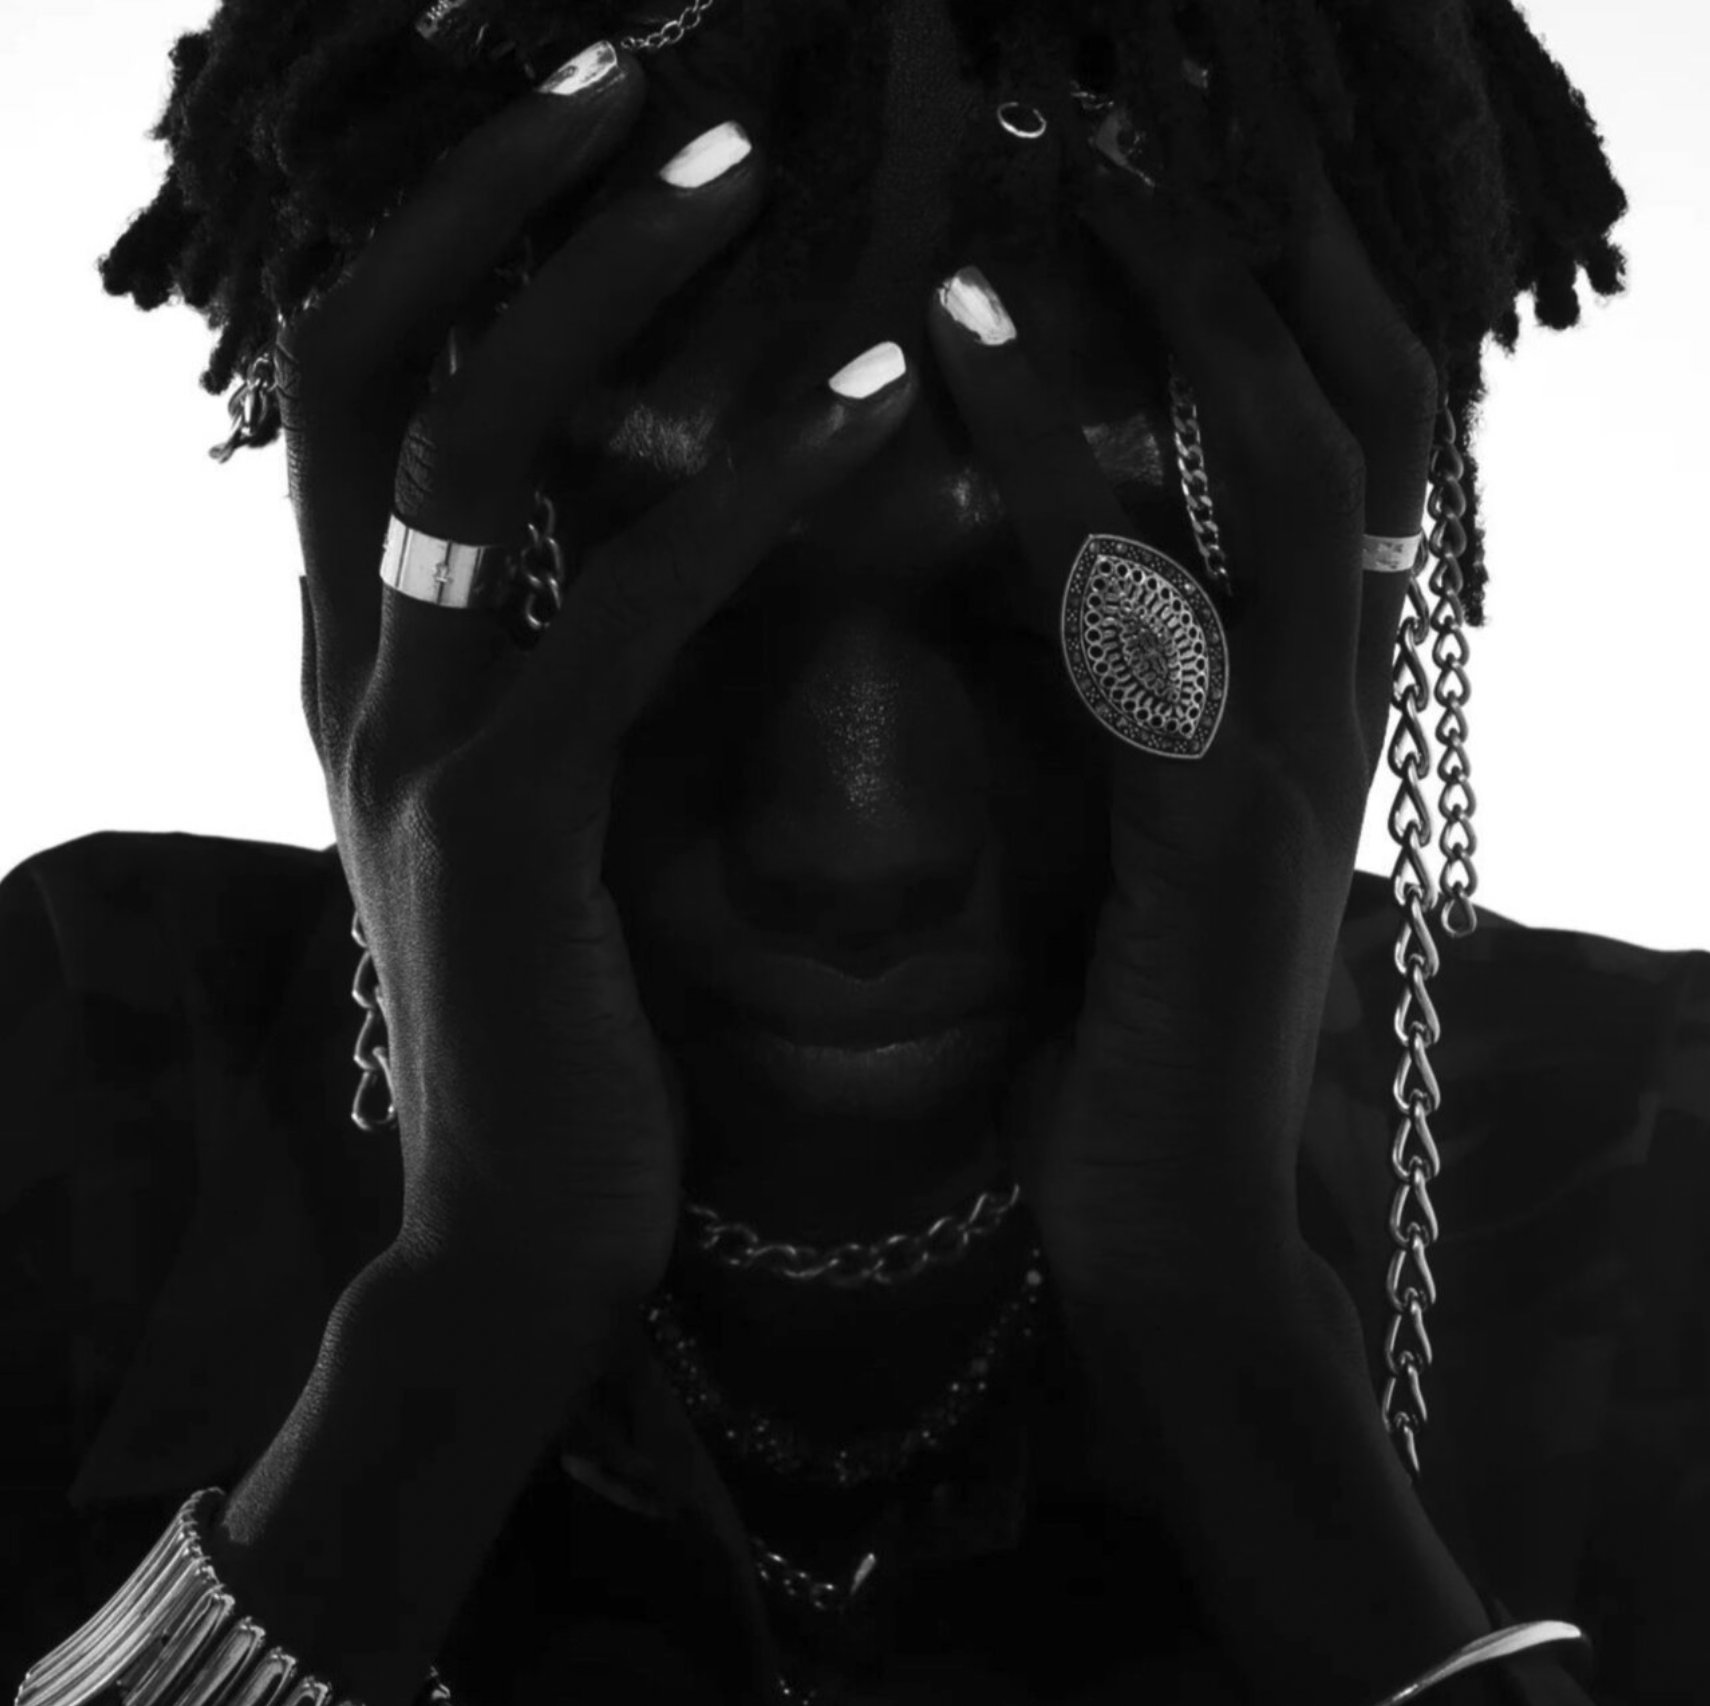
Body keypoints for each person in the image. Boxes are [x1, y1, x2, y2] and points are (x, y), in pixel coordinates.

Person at [3, 1, 1705, 1704]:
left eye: (1048, 609)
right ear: (395, 594)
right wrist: (452, 1333)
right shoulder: (73, 1058)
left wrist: (1243, 1370)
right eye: (666, 600)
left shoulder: (1651, 1161)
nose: (854, 834)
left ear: (1314, 586)